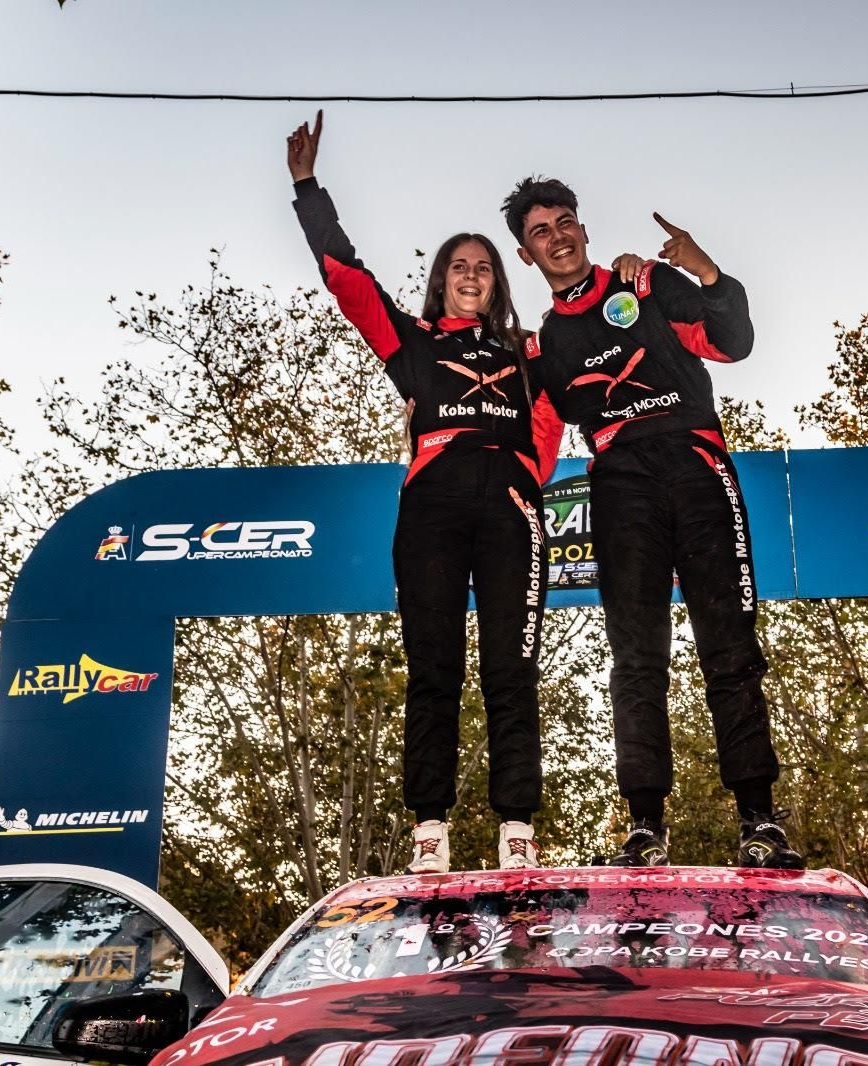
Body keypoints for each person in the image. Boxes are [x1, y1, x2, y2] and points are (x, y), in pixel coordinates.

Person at [289, 112, 563, 874]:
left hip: (509, 508)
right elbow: (346, 275)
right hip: (431, 507)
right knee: (434, 664)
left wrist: (519, 485)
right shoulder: (410, 340)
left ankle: (516, 829)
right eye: (458, 266)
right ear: (441, 280)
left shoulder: (529, 352)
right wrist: (308, 190)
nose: (472, 274)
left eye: (483, 266)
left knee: (512, 668)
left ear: (498, 281)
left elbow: (548, 430)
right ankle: (430, 830)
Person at [500, 176, 802, 869]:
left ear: (584, 228)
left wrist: (702, 269)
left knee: (729, 643)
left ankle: (760, 820)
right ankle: (644, 828)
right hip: (618, 482)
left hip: (697, 465)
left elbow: (734, 341)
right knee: (635, 659)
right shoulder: (544, 347)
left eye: (565, 221)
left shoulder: (646, 285)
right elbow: (535, 450)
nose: (558, 236)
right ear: (526, 255)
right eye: (541, 231)